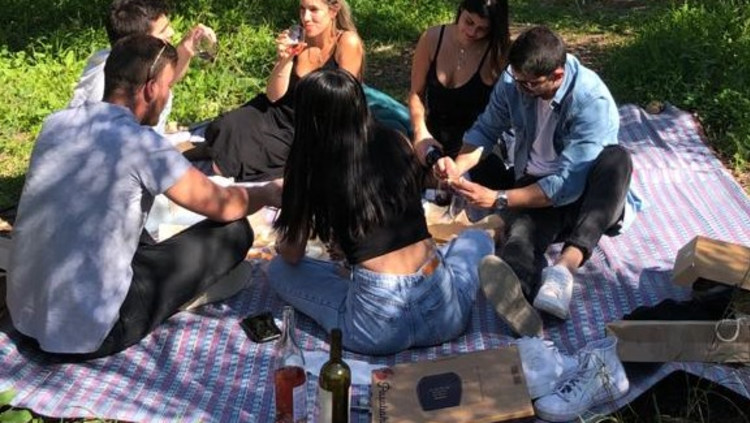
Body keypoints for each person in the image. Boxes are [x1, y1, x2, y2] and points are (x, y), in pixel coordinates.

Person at [7, 35, 281, 361]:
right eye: (168, 87)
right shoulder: (141, 145)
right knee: (233, 232)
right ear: (150, 89)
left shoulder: (55, 124)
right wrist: (267, 192)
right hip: (94, 332)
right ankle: (178, 298)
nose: (167, 97)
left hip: (24, 315)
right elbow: (224, 205)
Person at [268, 69, 494, 355]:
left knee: (278, 269)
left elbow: (292, 253)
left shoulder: (309, 166)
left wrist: (282, 239)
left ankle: (350, 282)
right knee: (477, 240)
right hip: (442, 312)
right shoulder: (396, 140)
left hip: (376, 328)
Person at [435, 26, 634, 336]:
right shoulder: (513, 81)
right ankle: (521, 301)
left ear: (557, 75)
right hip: (535, 183)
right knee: (521, 235)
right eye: (517, 79)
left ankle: (564, 268)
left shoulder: (590, 100)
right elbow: (486, 130)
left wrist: (499, 199)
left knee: (617, 160)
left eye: (530, 84)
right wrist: (457, 169)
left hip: (587, 191)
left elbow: (566, 184)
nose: (521, 88)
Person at [205, 0, 364, 182]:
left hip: (314, 124)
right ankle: (218, 151)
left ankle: (221, 156)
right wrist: (285, 59)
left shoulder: (346, 42)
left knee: (237, 156)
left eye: (314, 10)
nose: (306, 18)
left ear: (333, 11)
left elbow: (346, 102)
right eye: (302, 9)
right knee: (225, 126)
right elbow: (273, 96)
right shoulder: (297, 38)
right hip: (280, 111)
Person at [69, 0, 216, 133]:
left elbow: (164, 78)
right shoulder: (107, 88)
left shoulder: (127, 59)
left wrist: (186, 49)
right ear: (140, 43)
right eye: (163, 31)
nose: (172, 32)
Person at [409, 0, 510, 180]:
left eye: (482, 29)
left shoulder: (496, 54)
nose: (472, 32)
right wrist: (420, 131)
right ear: (461, 9)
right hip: (432, 139)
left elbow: (503, 114)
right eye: (469, 22)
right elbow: (416, 94)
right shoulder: (432, 39)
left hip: (474, 148)